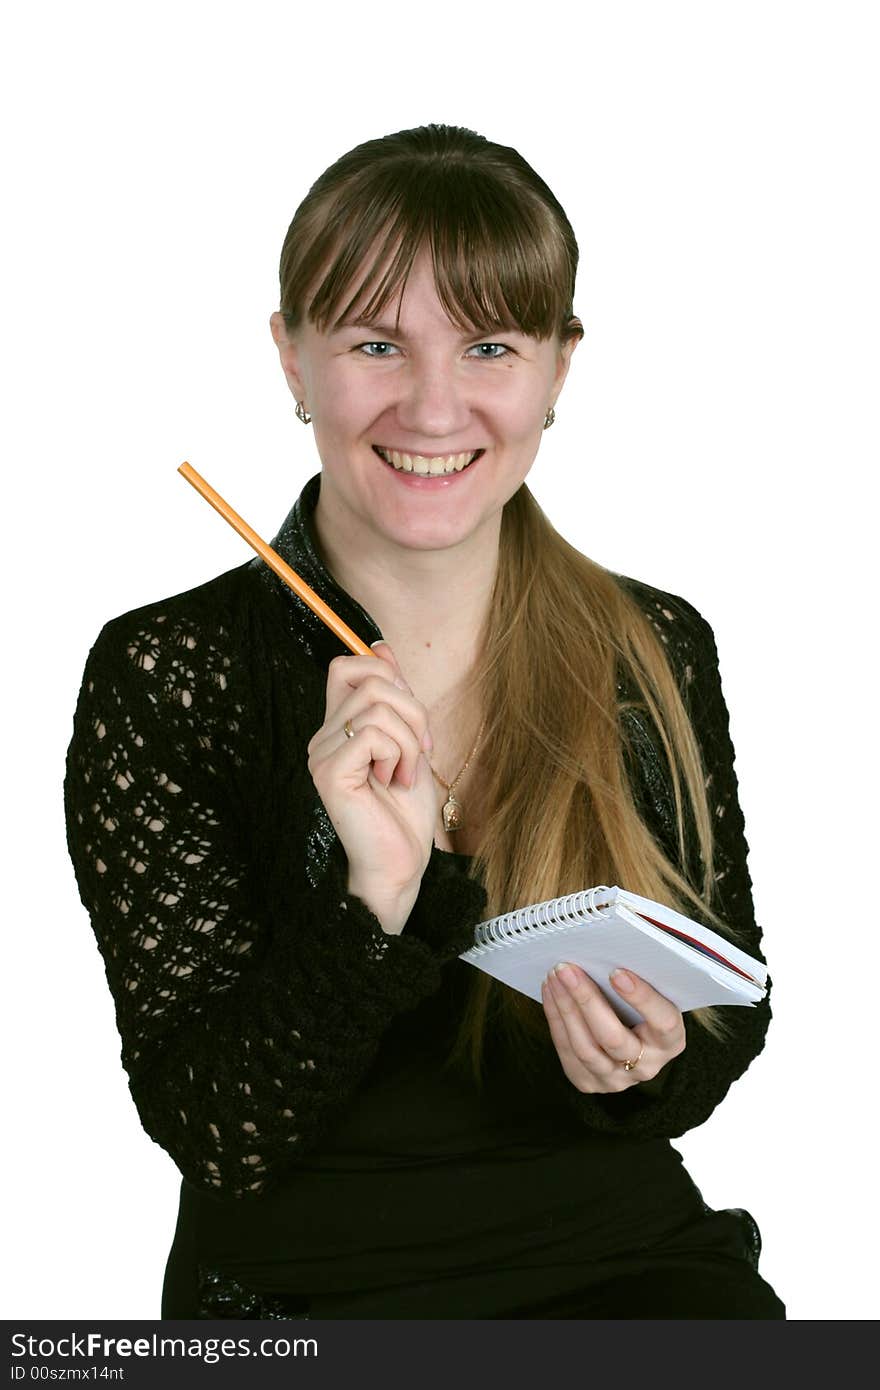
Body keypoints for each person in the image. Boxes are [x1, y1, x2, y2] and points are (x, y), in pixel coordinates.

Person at [63, 123, 785, 1320]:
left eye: (491, 344)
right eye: (374, 342)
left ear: (559, 368)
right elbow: (218, 1133)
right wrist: (377, 900)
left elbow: (727, 1003)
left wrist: (640, 1064)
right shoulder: (166, 671)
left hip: (625, 1264)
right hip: (292, 1299)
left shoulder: (654, 644)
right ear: (292, 360)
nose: (434, 405)